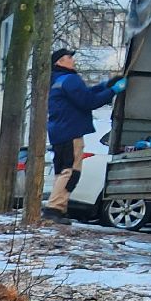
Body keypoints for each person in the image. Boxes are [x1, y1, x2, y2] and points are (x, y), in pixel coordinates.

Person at [44, 47, 124, 213]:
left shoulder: (57, 80)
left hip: (59, 132)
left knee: (62, 172)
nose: (73, 60)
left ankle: (57, 207)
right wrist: (113, 91)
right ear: (60, 61)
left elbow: (84, 94)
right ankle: (54, 208)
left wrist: (104, 86)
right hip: (71, 132)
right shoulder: (70, 79)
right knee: (71, 172)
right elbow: (89, 101)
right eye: (69, 57)